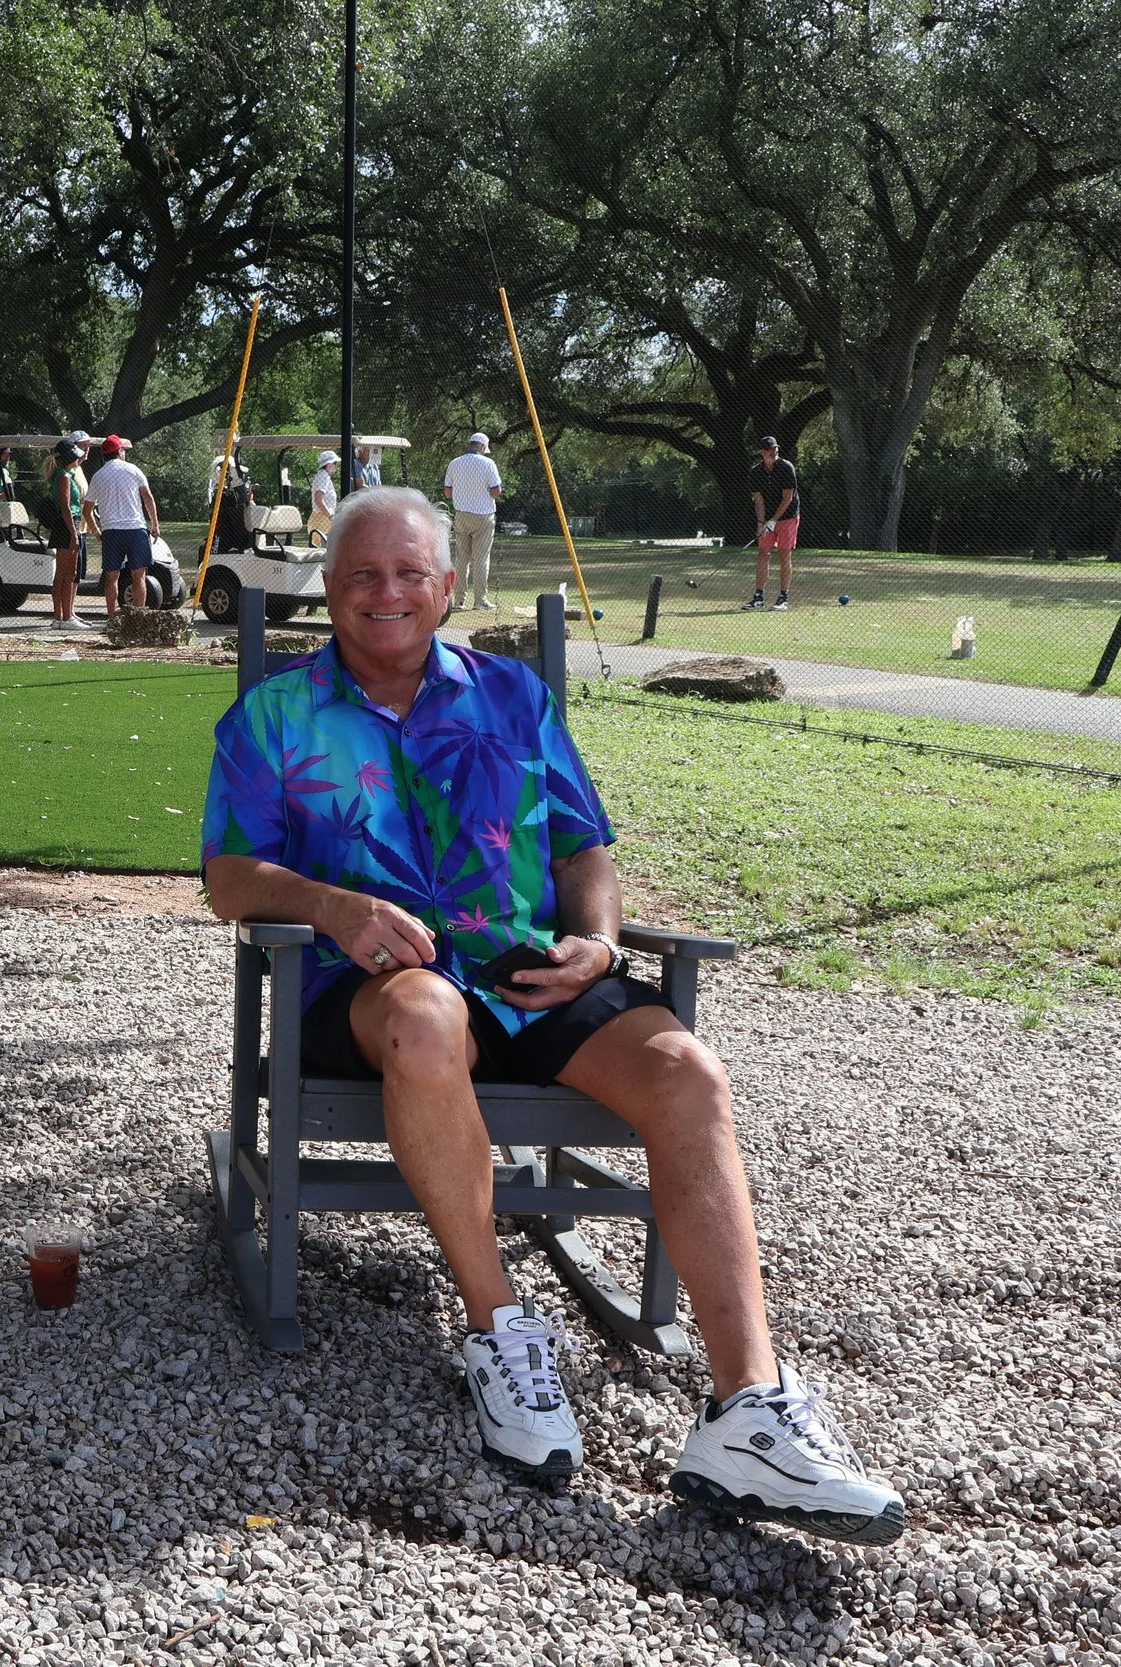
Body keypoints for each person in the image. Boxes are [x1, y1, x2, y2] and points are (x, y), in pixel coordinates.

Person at [199, 487, 904, 1548]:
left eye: (407, 574)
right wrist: (330, 904)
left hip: (528, 974)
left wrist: (601, 942)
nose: (385, 593)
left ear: (444, 586)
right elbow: (226, 877)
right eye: (360, 574)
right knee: (429, 1016)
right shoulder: (272, 716)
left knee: (687, 1071)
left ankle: (748, 1409)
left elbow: (583, 847)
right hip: (376, 987)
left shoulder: (513, 697)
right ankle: (501, 1330)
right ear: (331, 591)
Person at [83, 434, 160, 616]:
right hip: (135, 529)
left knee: (111, 577)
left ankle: (111, 618)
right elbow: (147, 497)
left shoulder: (98, 476)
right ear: (119, 452)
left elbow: (87, 510)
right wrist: (155, 524)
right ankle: (138, 617)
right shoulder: (133, 470)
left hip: (111, 531)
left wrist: (96, 531)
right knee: (138, 576)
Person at [442, 431, 506, 610]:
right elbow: (496, 491)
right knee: (481, 559)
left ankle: (459, 600)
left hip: (462, 514)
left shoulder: (454, 463)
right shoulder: (488, 463)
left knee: (462, 559)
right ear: (482, 446)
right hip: (483, 515)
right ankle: (480, 600)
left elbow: (447, 492)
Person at [748, 436, 800, 612]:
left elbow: (788, 498)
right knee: (763, 552)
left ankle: (783, 597)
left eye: (776, 449)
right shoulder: (755, 472)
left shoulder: (786, 468)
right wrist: (761, 523)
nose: (774, 452)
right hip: (768, 518)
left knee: (784, 554)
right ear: (762, 452)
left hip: (788, 516)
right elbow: (759, 500)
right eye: (771, 450)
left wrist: (773, 521)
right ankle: (758, 598)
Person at [45, 438, 92, 630]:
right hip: (68, 525)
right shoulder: (63, 476)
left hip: (65, 525)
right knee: (68, 573)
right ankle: (65, 618)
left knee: (63, 573)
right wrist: (74, 533)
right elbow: (65, 507)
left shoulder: (63, 474)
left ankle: (60, 617)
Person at [306, 448, 340, 546]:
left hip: (323, 519)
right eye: (335, 463)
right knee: (322, 552)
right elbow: (318, 499)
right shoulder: (323, 476)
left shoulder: (324, 476)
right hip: (321, 520)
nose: (335, 465)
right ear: (329, 464)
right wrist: (330, 516)